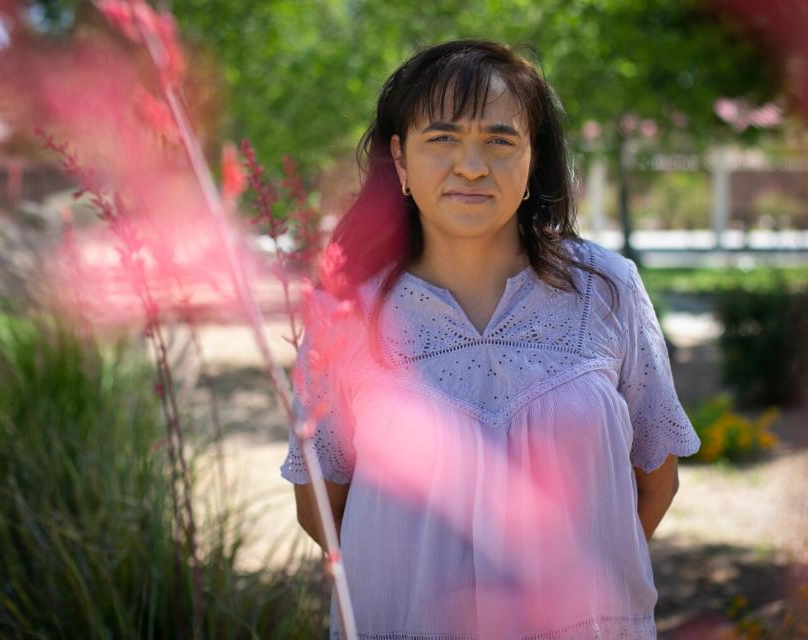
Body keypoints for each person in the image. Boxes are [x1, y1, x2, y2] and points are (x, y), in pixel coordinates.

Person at [280, 39, 701, 639]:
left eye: (500, 140)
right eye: (443, 139)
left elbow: (655, 480)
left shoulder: (607, 289)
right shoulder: (344, 312)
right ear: (399, 160)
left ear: (533, 159)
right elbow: (323, 505)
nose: (472, 165)